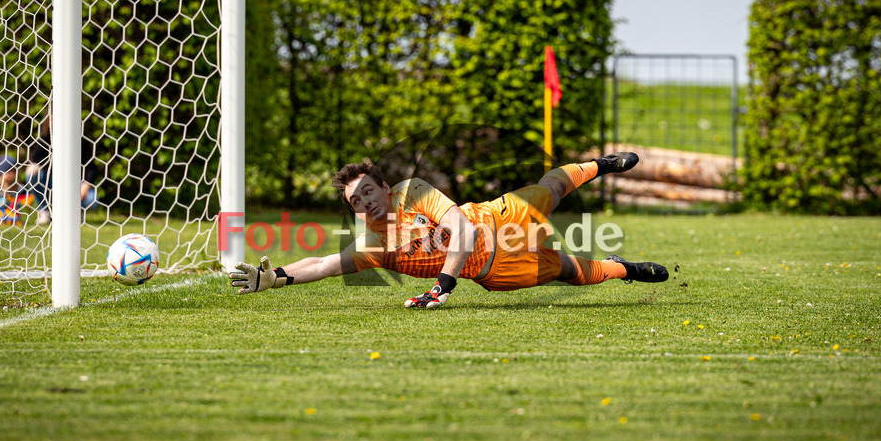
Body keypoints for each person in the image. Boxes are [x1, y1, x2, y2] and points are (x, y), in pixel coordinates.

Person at [229, 152, 668, 308]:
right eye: (354, 201)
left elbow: (460, 226)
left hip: (501, 219)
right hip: (496, 274)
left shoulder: (411, 192)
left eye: (366, 191)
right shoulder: (375, 245)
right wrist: (277, 277)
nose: (363, 201)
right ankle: (622, 269)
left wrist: (442, 286)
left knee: (550, 189)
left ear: (384, 186)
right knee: (572, 273)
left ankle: (597, 165)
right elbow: (325, 263)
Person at [26, 116, 99, 224]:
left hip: (74, 185)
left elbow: (91, 167)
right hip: (52, 183)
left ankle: (75, 212)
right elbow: (36, 158)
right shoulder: (46, 138)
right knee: (32, 170)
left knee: (92, 199)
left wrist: (85, 185)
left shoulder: (81, 141)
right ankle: (46, 211)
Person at [0, 156, 36, 224]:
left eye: (13, 172)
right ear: (1, 173)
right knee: (1, 201)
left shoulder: (18, 187)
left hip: (11, 209)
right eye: (7, 172)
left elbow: (27, 196)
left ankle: (13, 219)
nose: (10, 175)